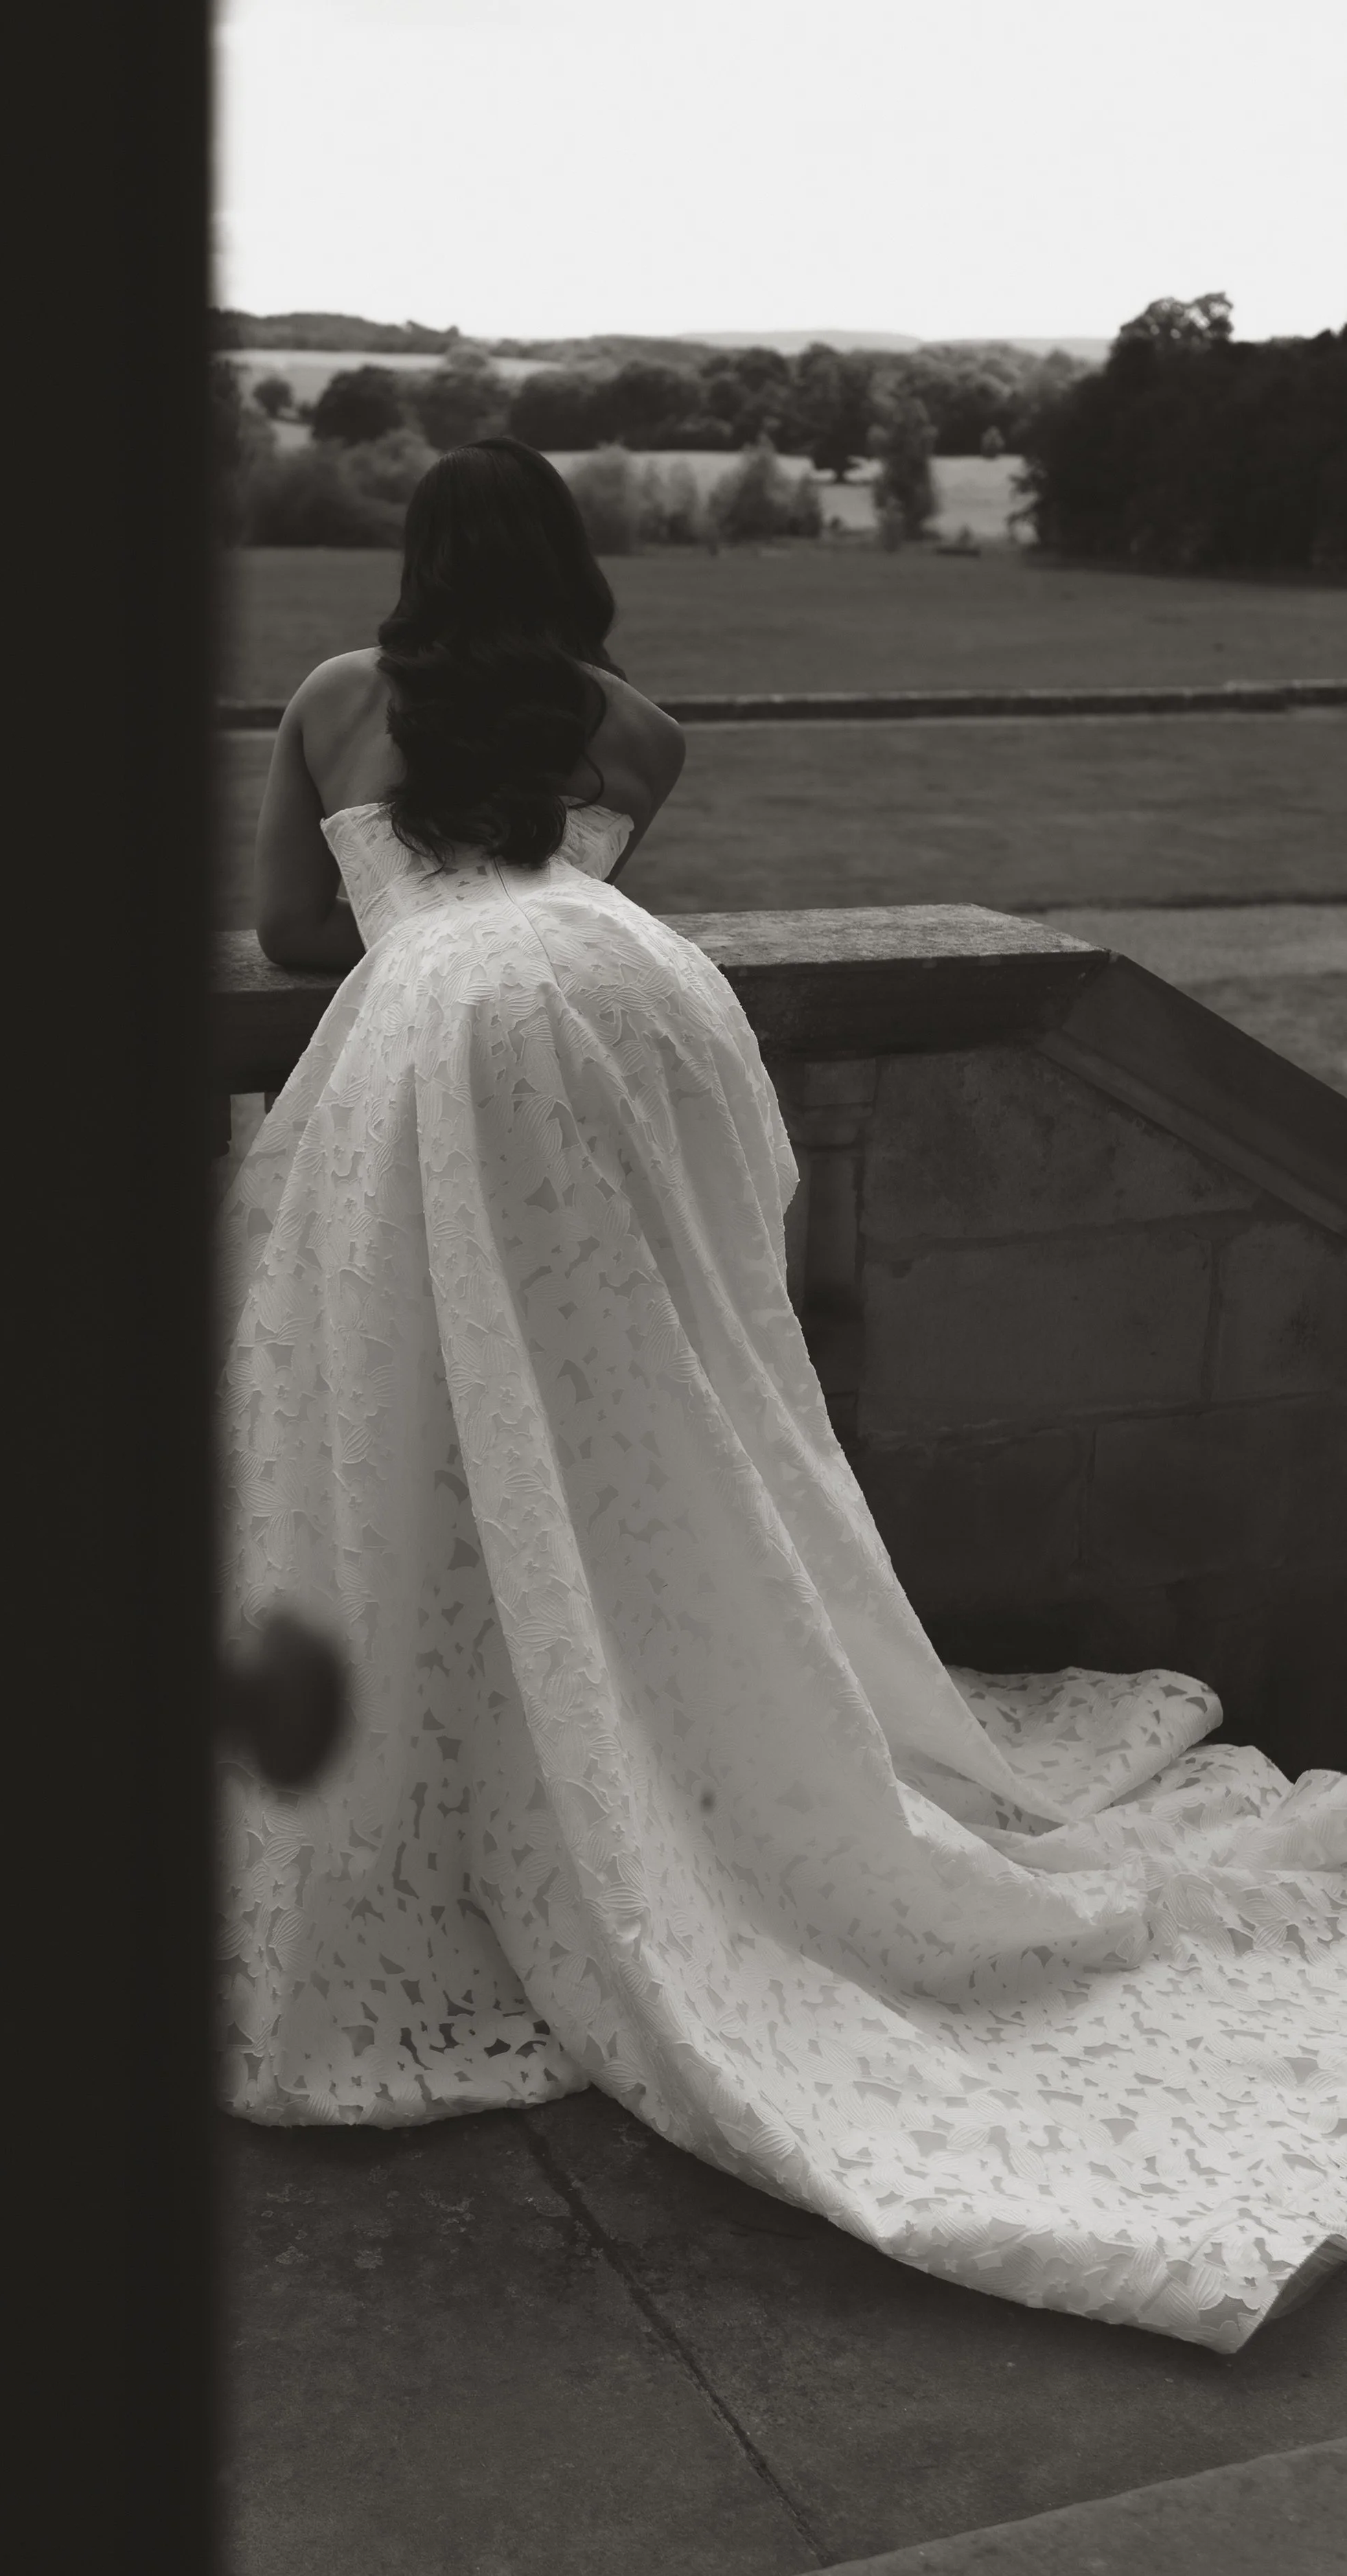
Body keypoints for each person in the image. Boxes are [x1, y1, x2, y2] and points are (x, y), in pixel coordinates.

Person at [218, 437, 1346, 2351]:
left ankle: (500, 1753)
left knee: (404, 1418)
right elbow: (561, 875)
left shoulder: (336, 697)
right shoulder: (634, 729)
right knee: (655, 1417)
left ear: (415, 557)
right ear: (576, 565)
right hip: (639, 1014)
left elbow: (296, 936)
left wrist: (383, 878)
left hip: (443, 1033)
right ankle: (637, 1716)